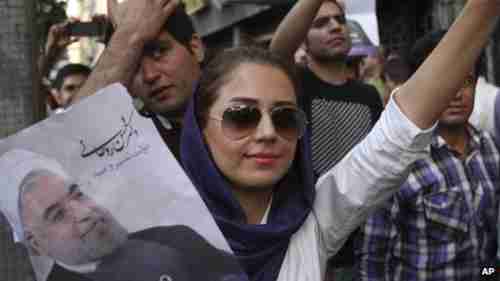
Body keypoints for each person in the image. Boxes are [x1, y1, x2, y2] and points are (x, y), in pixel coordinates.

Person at [178, 1, 500, 280]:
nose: (267, 132)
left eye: (285, 118)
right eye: (242, 116)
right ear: (199, 127)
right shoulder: (160, 233)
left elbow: (397, 136)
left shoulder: (310, 225)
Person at [355, 30, 500, 281]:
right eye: (445, 82)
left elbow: (492, 249)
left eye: (465, 81)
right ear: (419, 87)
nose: (456, 94)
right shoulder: (397, 160)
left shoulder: (490, 150)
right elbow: (373, 258)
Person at [0, 150, 246, 281]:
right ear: (35, 244)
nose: (85, 213)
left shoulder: (174, 239)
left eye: (78, 195)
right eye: (58, 215)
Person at [71, 0, 204, 161]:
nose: (149, 75)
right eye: (133, 66)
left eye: (159, 52)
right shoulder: (133, 149)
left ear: (196, 48)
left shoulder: (238, 100)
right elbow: (73, 143)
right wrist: (127, 36)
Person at [270, 0, 383, 176]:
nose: (335, 27)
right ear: (303, 42)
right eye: (320, 24)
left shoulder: (369, 95)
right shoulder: (295, 85)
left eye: (340, 20)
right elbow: (277, 52)